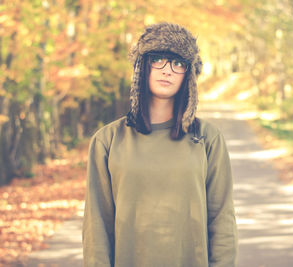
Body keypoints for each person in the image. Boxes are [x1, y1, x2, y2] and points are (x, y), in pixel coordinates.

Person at [82, 22, 238, 267]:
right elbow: (96, 226)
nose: (168, 70)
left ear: (188, 75)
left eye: (178, 63)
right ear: (143, 66)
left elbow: (222, 220)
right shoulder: (107, 141)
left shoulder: (207, 138)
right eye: (158, 59)